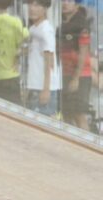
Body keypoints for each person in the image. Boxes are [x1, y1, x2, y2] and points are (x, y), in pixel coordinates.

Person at [59, 0, 92, 130]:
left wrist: (76, 78)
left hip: (80, 76)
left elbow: (83, 53)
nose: (65, 3)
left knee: (79, 114)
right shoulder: (60, 23)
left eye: (69, 1)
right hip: (64, 73)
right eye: (63, 1)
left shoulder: (81, 25)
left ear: (77, 5)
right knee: (66, 113)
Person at [25, 0, 61, 117]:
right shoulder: (34, 28)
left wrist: (46, 89)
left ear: (45, 8)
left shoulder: (46, 30)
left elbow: (49, 61)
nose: (32, 8)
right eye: (30, 4)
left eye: (37, 5)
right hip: (35, 85)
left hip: (44, 87)